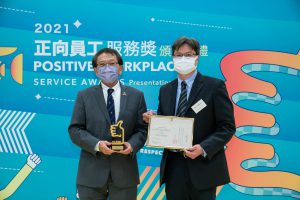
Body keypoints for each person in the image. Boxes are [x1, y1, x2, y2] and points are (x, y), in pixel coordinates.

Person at [143, 37, 236, 200]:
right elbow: (166, 123)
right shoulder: (165, 90)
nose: (183, 59)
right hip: (174, 168)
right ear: (172, 58)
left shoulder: (214, 86)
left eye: (189, 55)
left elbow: (227, 127)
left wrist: (203, 148)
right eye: (179, 55)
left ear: (197, 57)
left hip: (203, 167)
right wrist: (153, 121)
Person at [68, 48, 147, 200]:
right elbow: (75, 130)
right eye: (102, 65)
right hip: (91, 175)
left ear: (120, 68)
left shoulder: (136, 96)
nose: (107, 68)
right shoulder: (84, 96)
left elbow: (142, 130)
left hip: (125, 174)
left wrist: (131, 146)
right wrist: (97, 144)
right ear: (96, 70)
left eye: (112, 63)